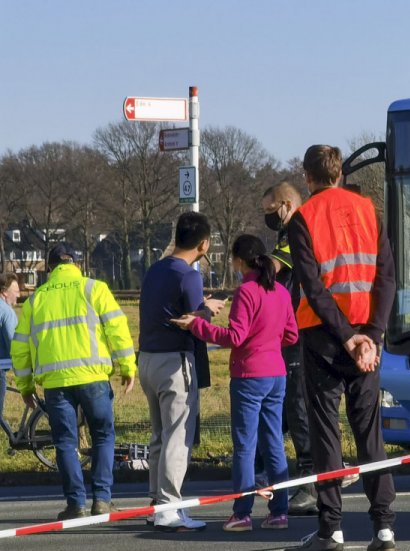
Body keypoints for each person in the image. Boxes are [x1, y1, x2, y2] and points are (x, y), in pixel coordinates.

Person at [283, 145, 397, 551]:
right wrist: (373, 337)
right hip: (368, 339)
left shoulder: (303, 218)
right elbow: (386, 277)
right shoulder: (369, 210)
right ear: (339, 173)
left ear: (307, 176)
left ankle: (331, 531)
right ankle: (384, 527)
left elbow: (313, 288)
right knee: (371, 434)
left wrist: (348, 337)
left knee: (326, 432)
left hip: (324, 338)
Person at [172, 234, 298, 531]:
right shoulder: (279, 291)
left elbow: (235, 336)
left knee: (245, 445)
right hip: (276, 374)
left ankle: (242, 513)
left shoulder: (246, 291)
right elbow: (291, 335)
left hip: (249, 375)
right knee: (274, 443)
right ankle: (280, 510)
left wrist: (198, 326)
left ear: (239, 261)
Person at [11, 244, 136, 519]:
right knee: (103, 435)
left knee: (65, 442)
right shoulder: (95, 289)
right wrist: (128, 367)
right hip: (93, 379)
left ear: (51, 267)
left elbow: (19, 348)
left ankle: (75, 504)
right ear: (76, 264)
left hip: (55, 384)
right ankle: (102, 500)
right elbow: (118, 328)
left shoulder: (36, 300)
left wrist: (25, 386)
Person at [139, 212, 224, 532]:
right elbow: (196, 324)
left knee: (159, 434)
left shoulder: (155, 269)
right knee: (178, 436)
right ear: (204, 244)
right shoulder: (189, 275)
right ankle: (169, 506)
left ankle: (156, 503)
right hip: (175, 362)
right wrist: (209, 309)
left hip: (147, 360)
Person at [261, 181, 318, 515]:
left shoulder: (298, 231)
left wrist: (249, 265)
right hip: (295, 331)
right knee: (292, 405)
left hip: (301, 333)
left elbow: (273, 268)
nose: (269, 218)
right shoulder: (295, 232)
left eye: (270, 211)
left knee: (298, 406)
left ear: (285, 204)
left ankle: (310, 481)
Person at [0, 274, 19, 420]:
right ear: (4, 292)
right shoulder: (6, 311)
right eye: (16, 290)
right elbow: (14, 343)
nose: (18, 294)